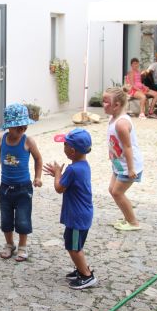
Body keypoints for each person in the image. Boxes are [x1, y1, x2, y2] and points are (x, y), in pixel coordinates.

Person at [43, 128, 97, 290]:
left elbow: (59, 188)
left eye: (65, 145)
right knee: (74, 244)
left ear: (72, 151)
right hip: (83, 214)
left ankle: (87, 276)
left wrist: (58, 174)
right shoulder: (83, 165)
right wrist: (59, 175)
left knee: (73, 247)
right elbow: (65, 182)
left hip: (76, 217)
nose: (63, 148)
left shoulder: (72, 169)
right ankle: (81, 269)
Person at [0, 103, 43, 261]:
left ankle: (22, 246)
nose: (22, 129)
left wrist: (38, 177)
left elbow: (38, 159)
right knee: (6, 219)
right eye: (18, 127)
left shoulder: (28, 141)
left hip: (23, 188)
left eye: (24, 126)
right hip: (5, 188)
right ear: (8, 126)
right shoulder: (1, 140)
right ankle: (9, 244)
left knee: (23, 219)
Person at [103, 86, 144, 231]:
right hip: (118, 163)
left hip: (128, 166)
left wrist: (131, 169)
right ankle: (128, 217)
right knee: (112, 189)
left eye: (106, 102)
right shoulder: (113, 118)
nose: (103, 104)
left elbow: (127, 147)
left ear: (116, 105)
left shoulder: (121, 124)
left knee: (117, 192)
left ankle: (133, 222)